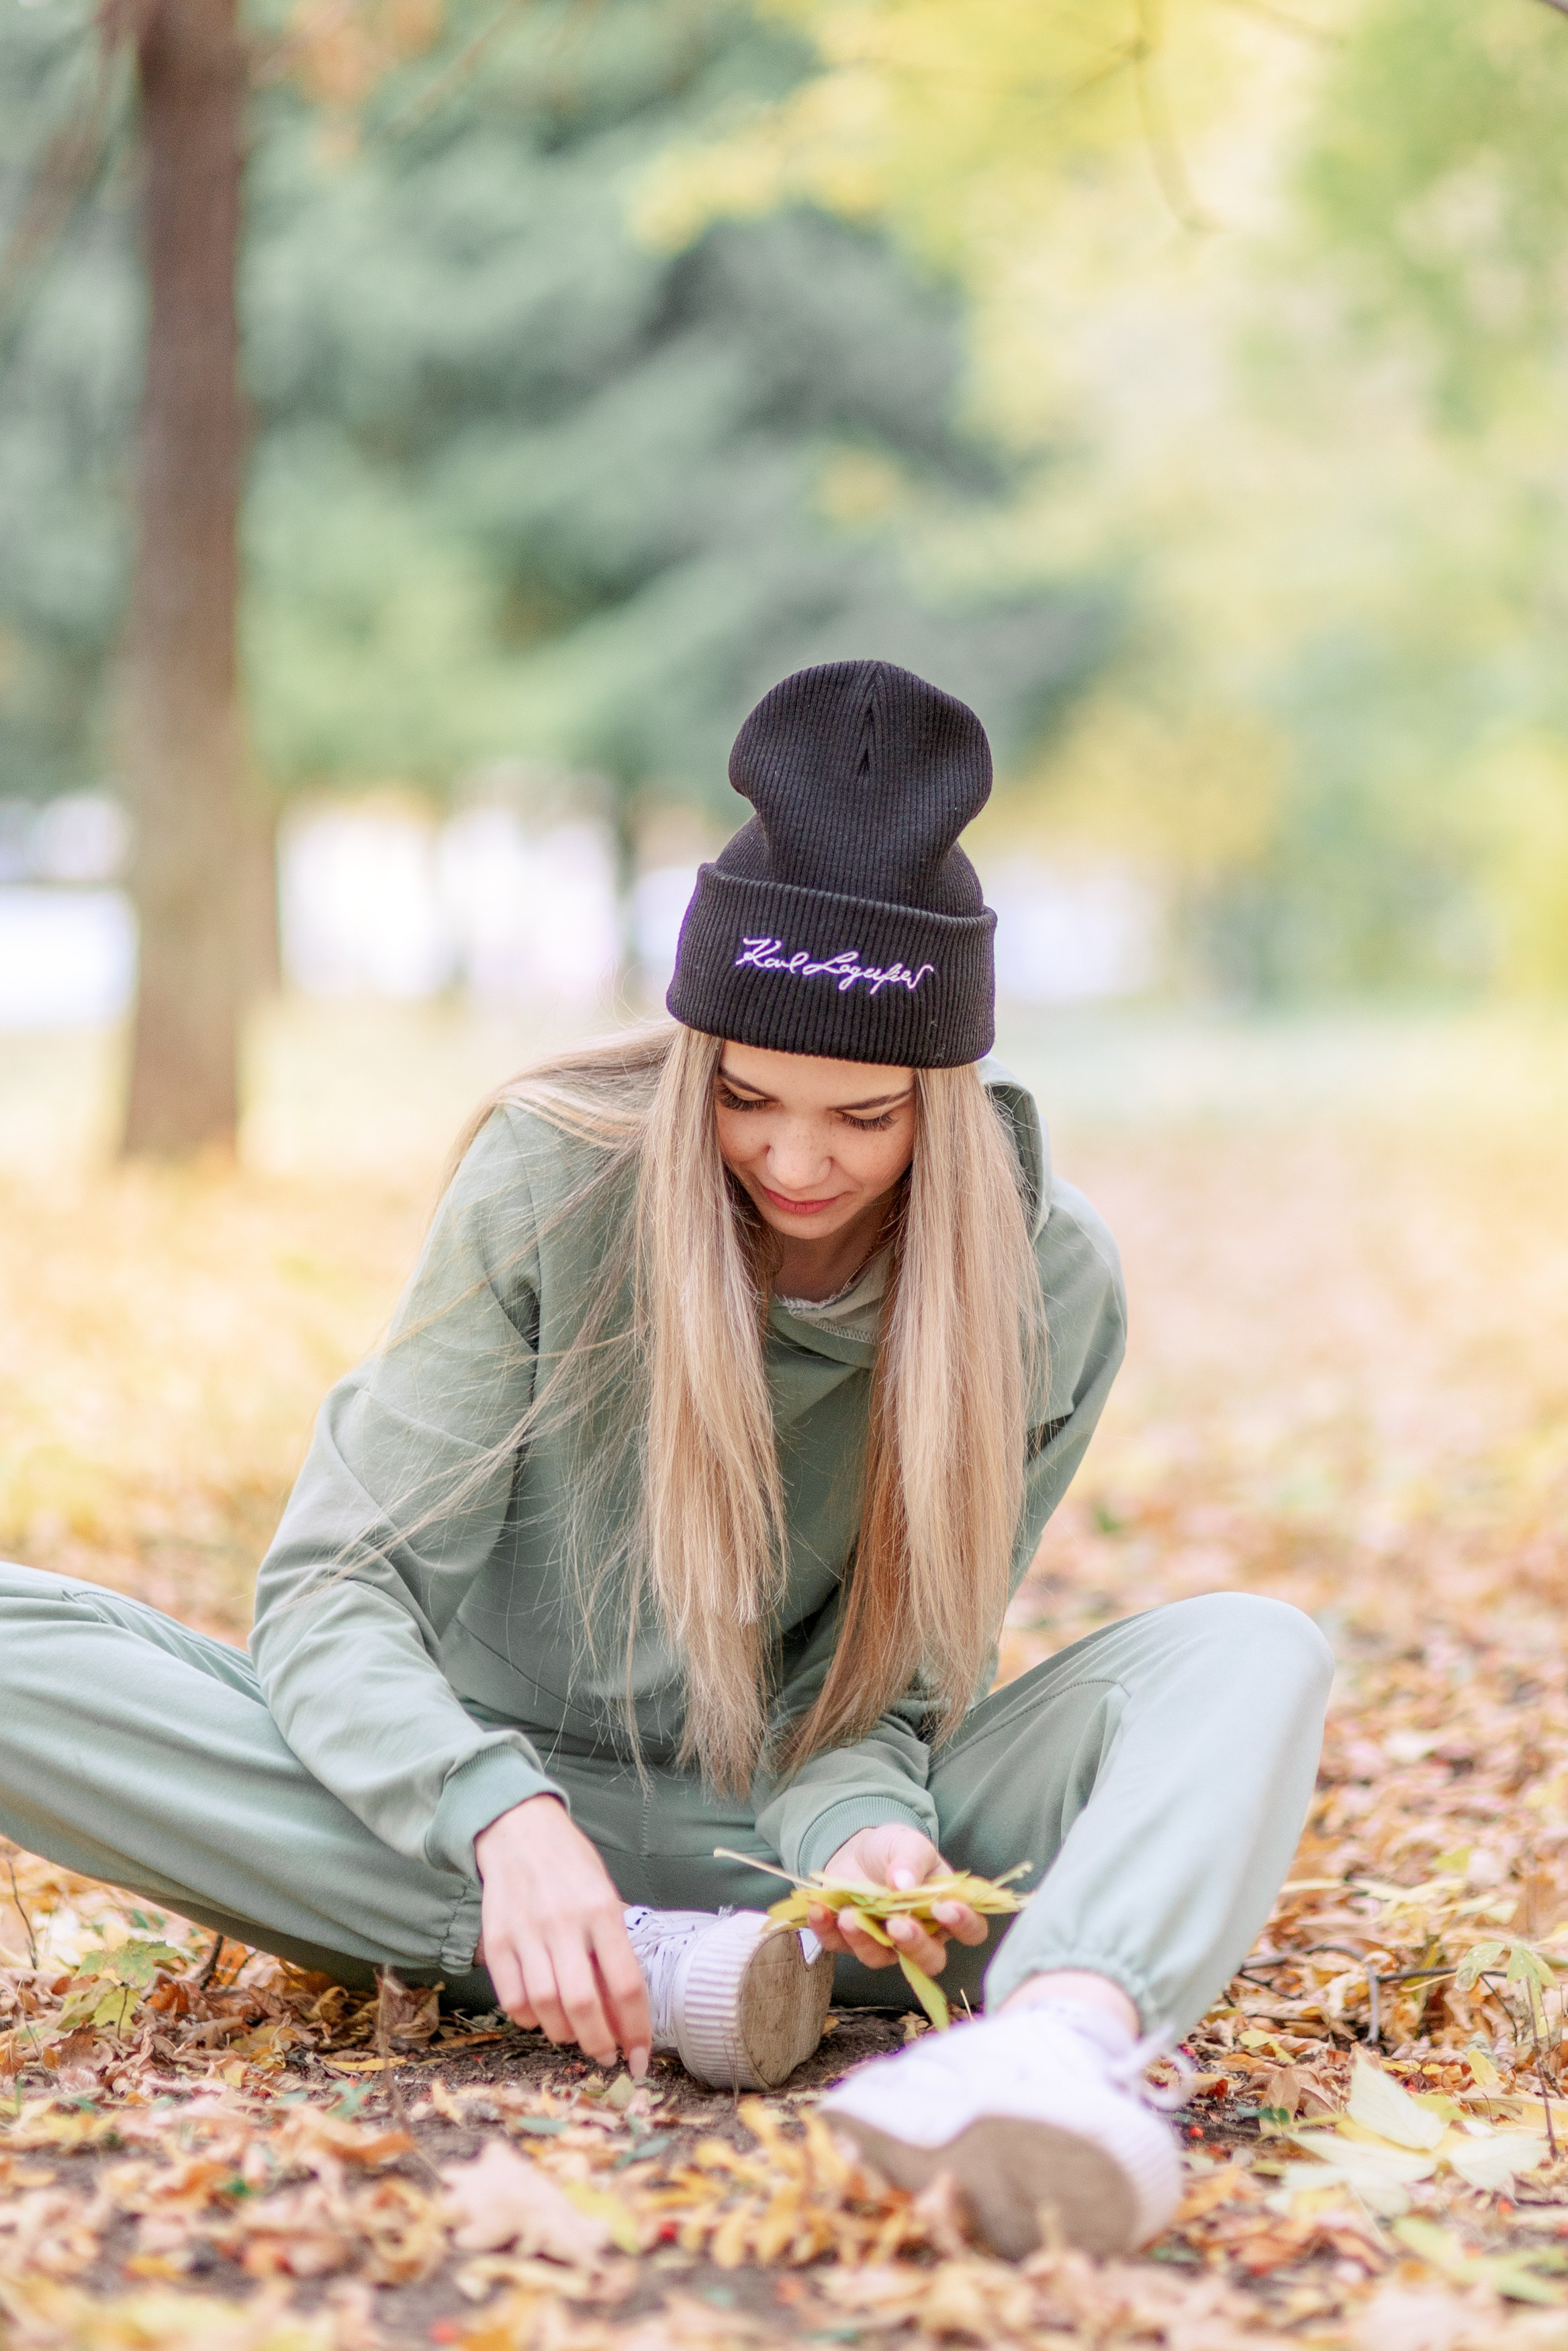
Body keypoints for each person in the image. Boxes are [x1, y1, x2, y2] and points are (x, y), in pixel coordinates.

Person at [0, 660, 1331, 2258]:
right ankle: (617, 1946)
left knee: (1253, 1649)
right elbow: (335, 1589)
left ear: (949, 1100)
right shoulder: (555, 1176)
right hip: (453, 1802)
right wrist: (504, 1821)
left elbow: (887, 1699)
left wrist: (863, 1847)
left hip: (766, 1843)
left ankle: (1054, 2039)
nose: (794, 1158)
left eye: (866, 1117)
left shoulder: (1047, 1286)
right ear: (696, 1053)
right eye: (751, 1099)